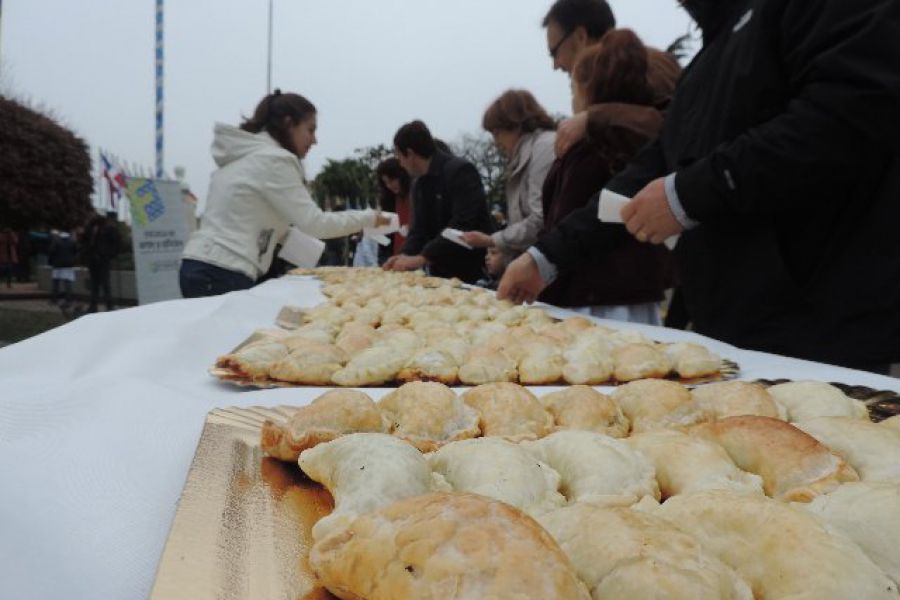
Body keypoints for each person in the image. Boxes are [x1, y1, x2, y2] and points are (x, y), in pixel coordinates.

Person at [500, 0, 900, 372]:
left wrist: (688, 194)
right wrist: (545, 257)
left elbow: (851, 112)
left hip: (823, 329)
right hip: (733, 328)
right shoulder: (708, 60)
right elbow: (643, 175)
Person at [180, 90, 389, 298]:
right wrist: (370, 218)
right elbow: (315, 223)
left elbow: (267, 227)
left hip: (200, 264)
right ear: (289, 124)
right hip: (224, 270)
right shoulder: (275, 160)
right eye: (310, 129)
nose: (314, 140)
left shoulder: (246, 157)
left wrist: (316, 259)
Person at [538, 30, 673, 324]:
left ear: (587, 92)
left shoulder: (588, 149)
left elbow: (568, 223)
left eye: (572, 89)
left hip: (592, 302)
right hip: (636, 295)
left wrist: (540, 274)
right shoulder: (640, 144)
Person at [542, 0, 681, 158]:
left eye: (554, 52)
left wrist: (593, 120)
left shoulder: (645, 65)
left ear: (581, 37)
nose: (555, 65)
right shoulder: (645, 62)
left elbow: (672, 126)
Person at [384, 120, 493, 283]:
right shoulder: (419, 184)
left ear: (410, 154)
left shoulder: (460, 171)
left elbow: (462, 225)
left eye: (399, 156)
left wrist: (423, 257)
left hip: (472, 270)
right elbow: (418, 231)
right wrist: (404, 255)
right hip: (439, 272)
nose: (400, 163)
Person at [460, 90, 556, 263]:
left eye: (496, 133)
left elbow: (540, 220)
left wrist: (492, 240)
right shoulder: (529, 153)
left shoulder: (543, 149)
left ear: (515, 125)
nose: (495, 142)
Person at [375, 157, 413, 263]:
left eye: (391, 181)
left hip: (415, 255)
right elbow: (382, 234)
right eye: (386, 183)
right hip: (392, 255)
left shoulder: (416, 194)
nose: (389, 186)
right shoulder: (387, 201)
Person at [84, 212, 120, 312]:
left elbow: (116, 243)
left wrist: (108, 255)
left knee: (105, 283)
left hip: (103, 259)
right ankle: (93, 306)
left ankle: (109, 306)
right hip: (93, 259)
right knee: (94, 284)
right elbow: (86, 242)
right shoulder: (90, 228)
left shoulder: (109, 228)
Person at [47, 230, 77, 306]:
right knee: (68, 282)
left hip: (57, 264)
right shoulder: (72, 241)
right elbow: (75, 252)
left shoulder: (56, 241)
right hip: (68, 265)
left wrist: (51, 262)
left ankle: (54, 299)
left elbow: (51, 251)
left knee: (55, 282)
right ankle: (69, 299)